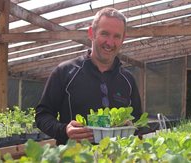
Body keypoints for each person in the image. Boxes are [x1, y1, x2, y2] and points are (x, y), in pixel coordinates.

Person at [35, 7, 142, 145]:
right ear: (91, 33)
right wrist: (64, 130)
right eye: (105, 34)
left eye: (116, 36)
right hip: (75, 157)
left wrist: (132, 127)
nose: (110, 42)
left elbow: (139, 124)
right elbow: (42, 115)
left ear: (123, 39)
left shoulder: (128, 80)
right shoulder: (66, 72)